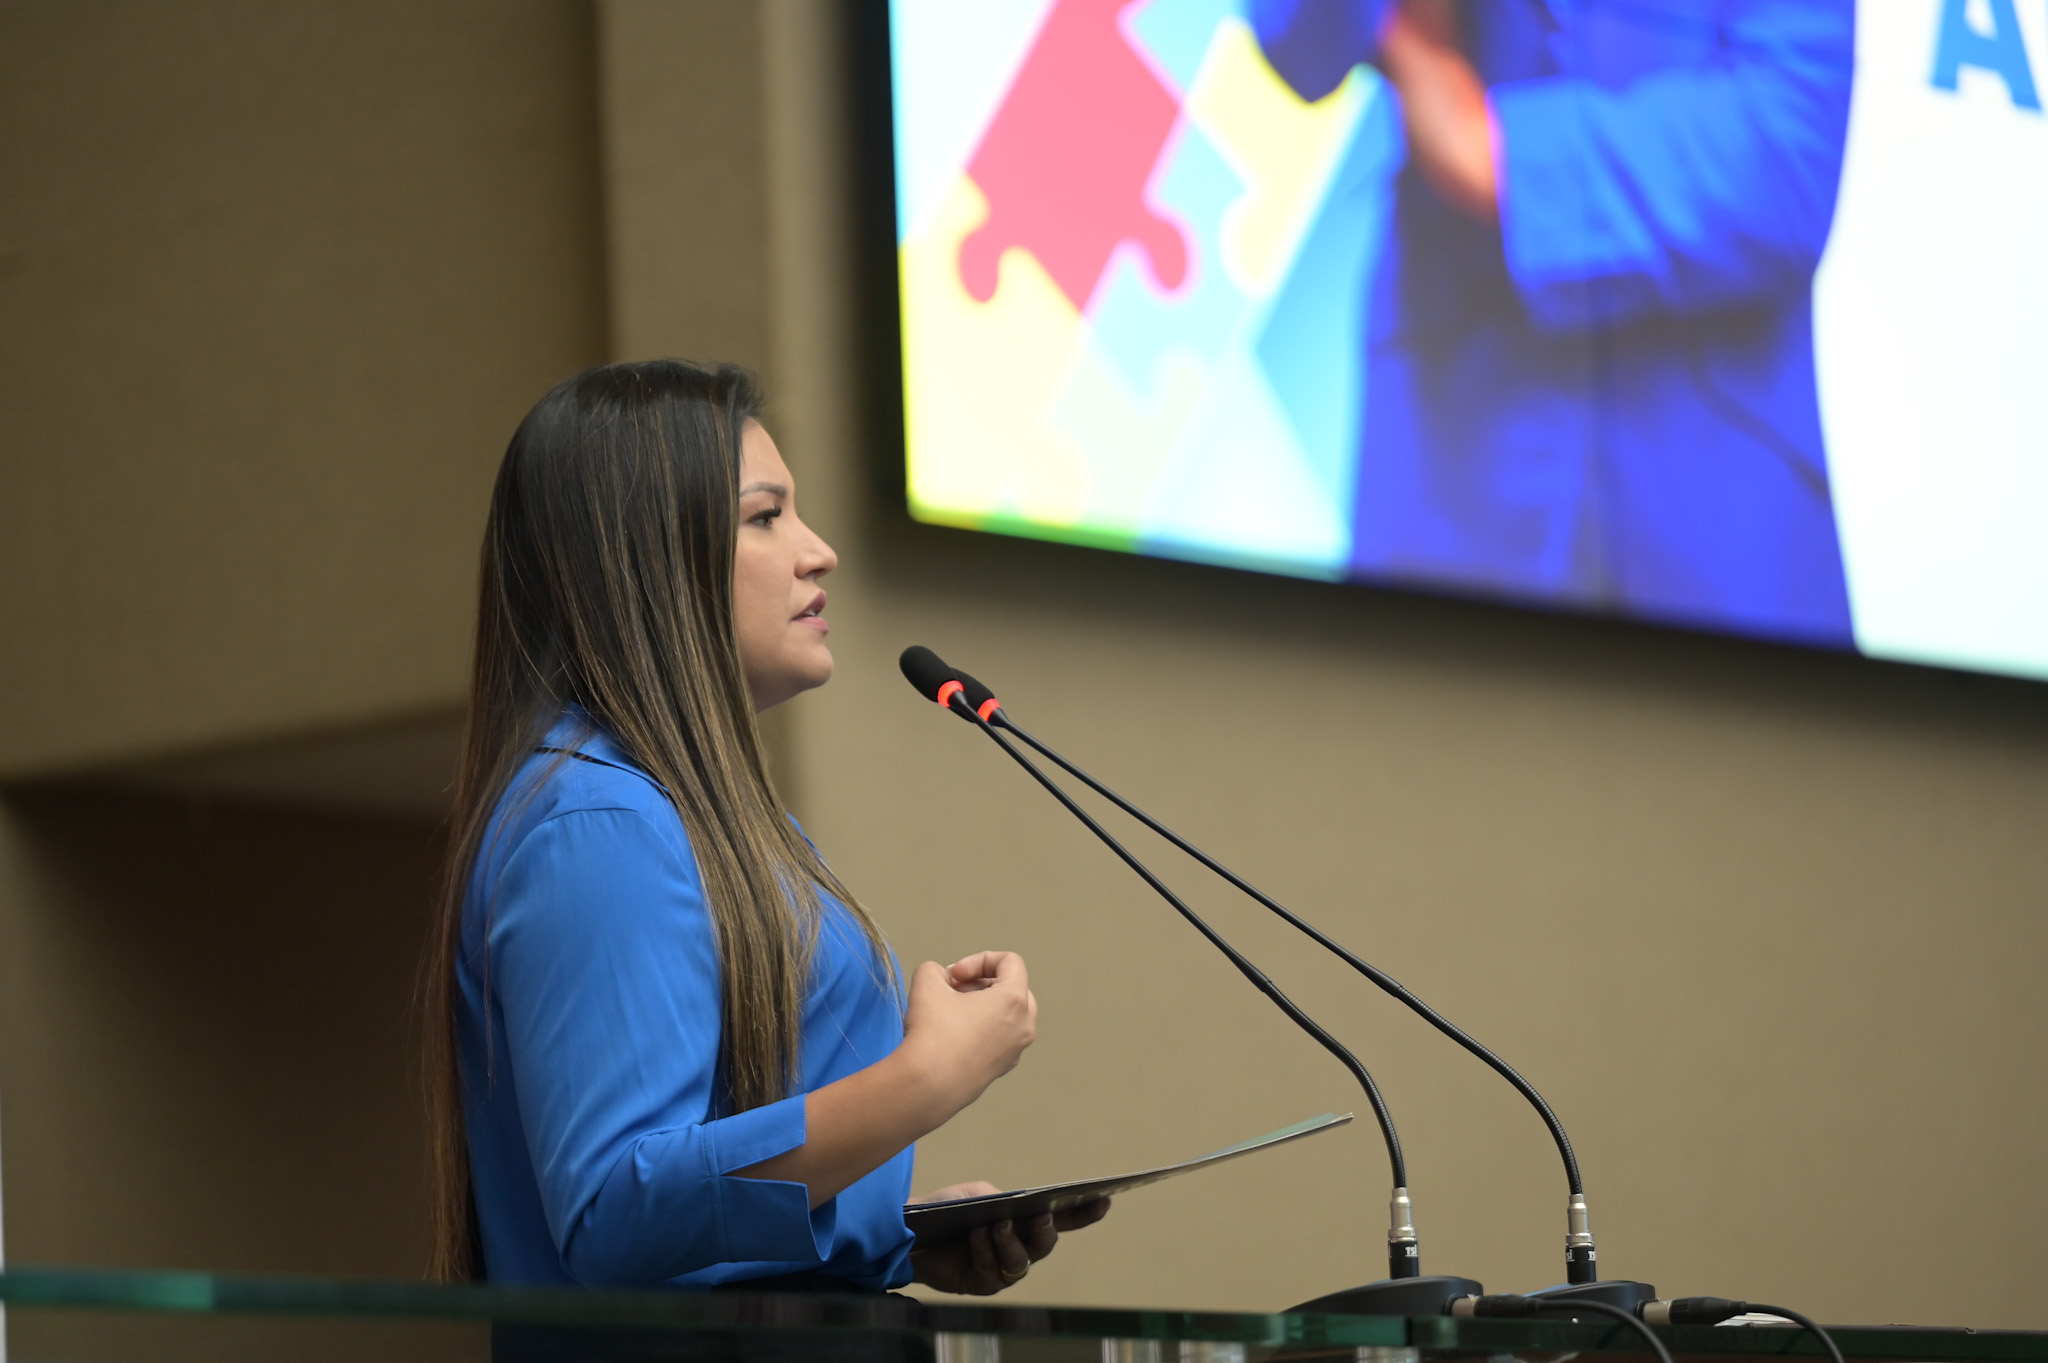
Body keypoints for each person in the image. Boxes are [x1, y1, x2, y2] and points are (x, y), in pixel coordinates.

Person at [420, 360, 1108, 1303]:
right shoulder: (596, 826)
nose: (818, 551)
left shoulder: (709, 818)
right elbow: (614, 1215)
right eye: (764, 516)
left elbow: (697, 1210)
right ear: (649, 555)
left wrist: (887, 1238)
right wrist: (928, 1075)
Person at [1251, 0, 1859, 646]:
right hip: (1457, 438)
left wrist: (1497, 155)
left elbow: (1789, 150)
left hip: (1717, 490)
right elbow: (1296, 39)